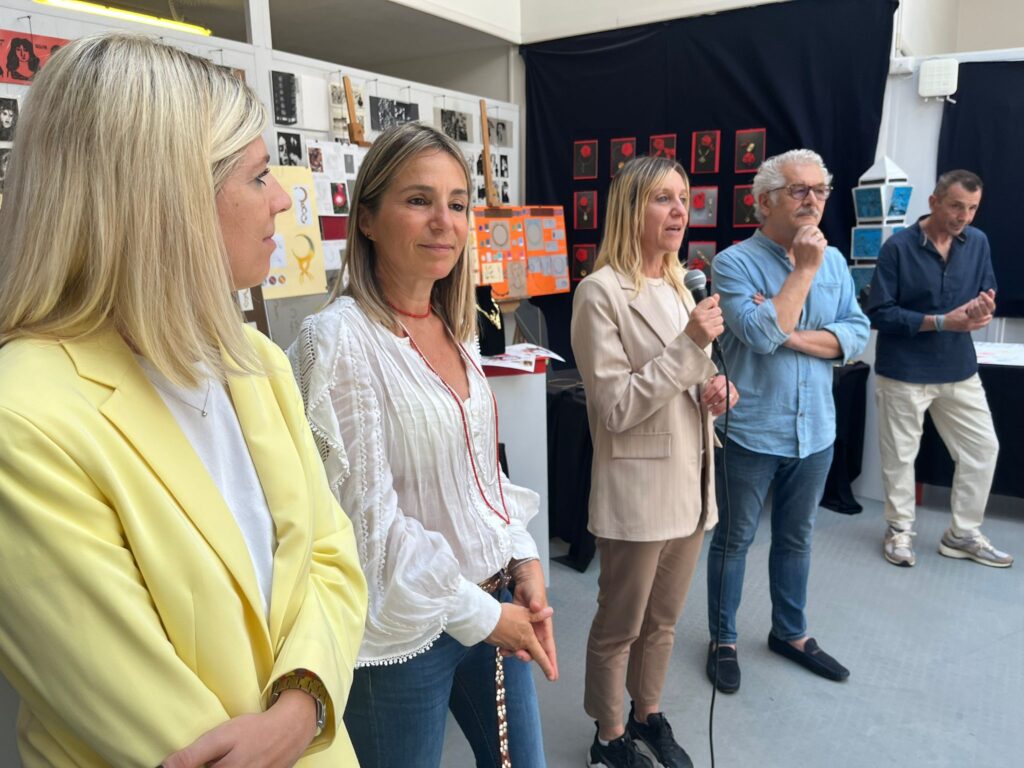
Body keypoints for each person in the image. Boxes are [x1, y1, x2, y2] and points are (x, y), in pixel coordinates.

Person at [0, 33, 367, 767]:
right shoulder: (25, 417)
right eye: (257, 176)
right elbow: (169, 736)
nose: (282, 198)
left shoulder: (253, 363)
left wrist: (303, 703)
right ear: (167, 199)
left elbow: (332, 557)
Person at [288, 122, 557, 768]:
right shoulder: (339, 340)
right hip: (402, 634)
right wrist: (485, 615)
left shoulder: (452, 325)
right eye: (418, 200)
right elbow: (367, 529)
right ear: (368, 219)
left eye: (458, 204)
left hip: (490, 596)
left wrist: (522, 556)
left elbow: (480, 473)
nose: (445, 222)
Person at [571, 155, 734, 768]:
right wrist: (691, 346)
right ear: (630, 208)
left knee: (664, 621)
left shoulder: (680, 284)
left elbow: (692, 376)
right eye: (663, 198)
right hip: (638, 490)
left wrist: (718, 389)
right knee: (621, 624)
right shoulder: (599, 293)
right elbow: (615, 407)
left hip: (692, 483)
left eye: (683, 198)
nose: (679, 211)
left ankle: (647, 713)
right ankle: (609, 736)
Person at [707, 149, 869, 692]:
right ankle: (723, 640)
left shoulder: (836, 261)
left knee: (797, 538)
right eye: (799, 190)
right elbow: (757, 335)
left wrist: (788, 333)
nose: (813, 200)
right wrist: (802, 272)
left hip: (815, 430)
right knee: (734, 540)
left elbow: (855, 335)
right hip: (750, 429)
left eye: (820, 190)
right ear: (764, 202)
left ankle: (791, 633)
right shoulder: (733, 264)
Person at [867, 170, 1012, 568]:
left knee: (983, 449)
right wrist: (942, 322)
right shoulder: (897, 248)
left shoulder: (978, 242)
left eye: (973, 208)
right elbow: (880, 313)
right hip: (903, 370)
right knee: (900, 457)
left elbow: (986, 292)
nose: (964, 216)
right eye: (956, 206)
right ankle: (899, 530)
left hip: (958, 368)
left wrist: (983, 311)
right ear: (933, 202)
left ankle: (962, 534)